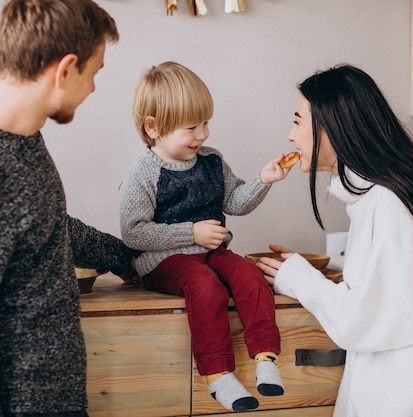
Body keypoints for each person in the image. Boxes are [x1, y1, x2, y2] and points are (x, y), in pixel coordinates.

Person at [0, 1, 135, 416]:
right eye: (95, 72)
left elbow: (46, 225)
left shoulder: (22, 141)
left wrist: (125, 257)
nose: (92, 89)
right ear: (65, 69)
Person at [255, 64, 413, 417]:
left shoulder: (387, 203)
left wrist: (300, 279)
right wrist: (325, 264)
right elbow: (401, 279)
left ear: (330, 127)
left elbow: (359, 322)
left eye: (298, 121)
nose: (291, 135)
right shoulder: (389, 193)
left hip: (408, 403)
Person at [119, 61, 292, 412]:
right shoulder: (144, 172)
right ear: (153, 127)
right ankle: (217, 374)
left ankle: (265, 356)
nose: (203, 135)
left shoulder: (211, 161)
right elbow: (133, 233)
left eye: (206, 123)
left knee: (247, 272)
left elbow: (235, 202)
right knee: (204, 284)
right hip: (164, 261)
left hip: (211, 251)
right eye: (191, 127)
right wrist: (191, 231)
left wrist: (263, 179)